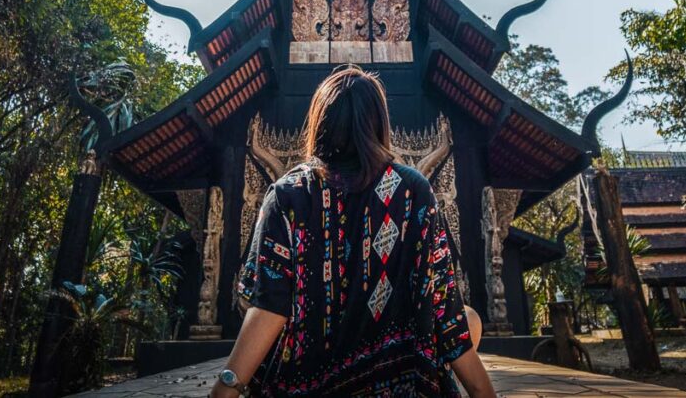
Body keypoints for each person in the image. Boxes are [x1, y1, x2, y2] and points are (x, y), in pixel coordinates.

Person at [211, 65, 496, 397]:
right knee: (469, 319)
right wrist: (483, 393)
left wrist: (226, 387)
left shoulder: (289, 193)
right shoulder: (413, 190)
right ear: (378, 124)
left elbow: (268, 307)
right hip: (398, 383)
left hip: (306, 383)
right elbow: (446, 313)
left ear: (320, 121)